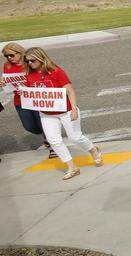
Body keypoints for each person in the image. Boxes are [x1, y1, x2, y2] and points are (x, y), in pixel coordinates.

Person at [21, 47, 102, 180]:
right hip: (46, 113)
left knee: (75, 137)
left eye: (33, 60)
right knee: (54, 140)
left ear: (41, 58)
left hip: (66, 110)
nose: (30, 63)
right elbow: (32, 93)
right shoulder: (29, 75)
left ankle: (93, 149)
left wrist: (74, 108)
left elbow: (70, 91)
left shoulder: (56, 71)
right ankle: (72, 167)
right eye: (27, 61)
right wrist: (22, 92)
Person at [2, 43, 49, 153]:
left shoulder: (30, 63)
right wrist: (4, 83)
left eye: (11, 55)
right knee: (29, 126)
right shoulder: (7, 66)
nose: (9, 58)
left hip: (35, 98)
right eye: (6, 56)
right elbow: (9, 82)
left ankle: (49, 139)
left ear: (20, 53)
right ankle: (47, 133)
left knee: (42, 122)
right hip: (20, 100)